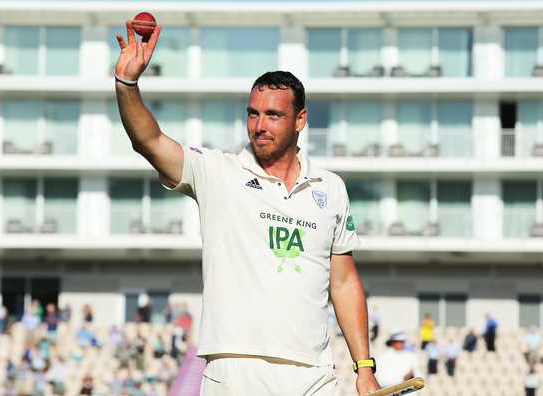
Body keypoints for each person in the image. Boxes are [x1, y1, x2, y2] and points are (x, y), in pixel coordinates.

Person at [114, 20, 380, 396]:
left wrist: (364, 367)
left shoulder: (331, 188)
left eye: (273, 115)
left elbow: (344, 281)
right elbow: (149, 140)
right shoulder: (218, 172)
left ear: (300, 120)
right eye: (253, 114)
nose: (260, 125)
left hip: (313, 373)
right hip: (235, 370)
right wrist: (127, 84)